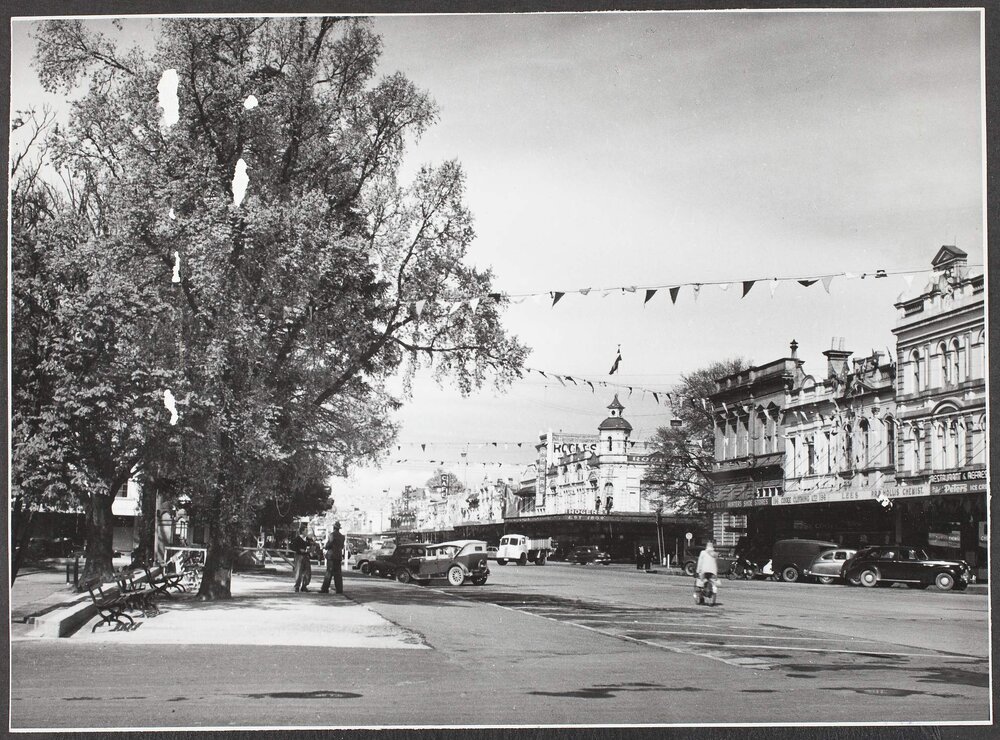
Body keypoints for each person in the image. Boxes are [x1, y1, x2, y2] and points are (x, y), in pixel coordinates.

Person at [320, 522, 345, 594]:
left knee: (329, 572)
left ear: (334, 527)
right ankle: (339, 589)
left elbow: (329, 544)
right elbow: (342, 546)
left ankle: (324, 589)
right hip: (338, 556)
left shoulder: (332, 535)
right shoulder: (342, 537)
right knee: (338, 574)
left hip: (331, 556)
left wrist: (325, 547)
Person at [289, 526, 312, 592]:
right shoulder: (297, 539)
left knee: (307, 572)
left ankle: (304, 586)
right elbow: (292, 546)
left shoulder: (308, 539)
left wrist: (311, 549)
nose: (307, 532)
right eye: (306, 531)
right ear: (302, 531)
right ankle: (297, 586)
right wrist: (299, 550)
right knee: (299, 571)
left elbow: (312, 545)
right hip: (299, 556)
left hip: (306, 556)